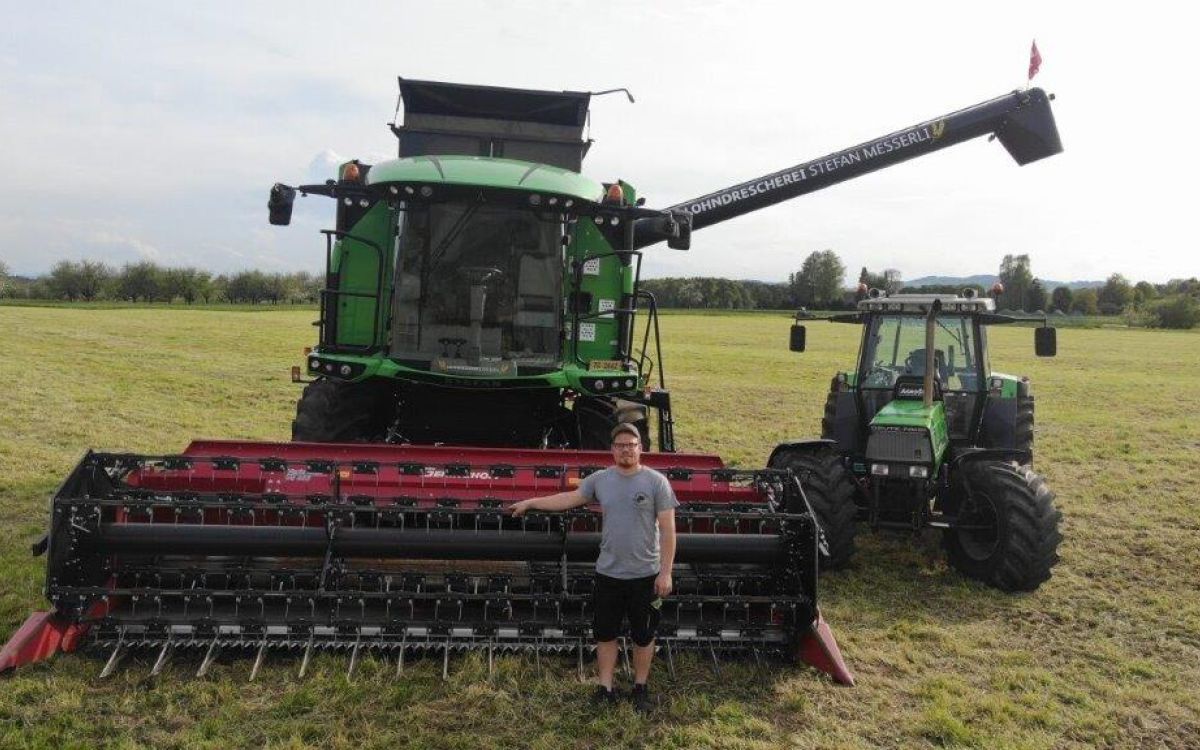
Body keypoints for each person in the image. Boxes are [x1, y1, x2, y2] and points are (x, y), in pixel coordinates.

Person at [509, 422, 678, 713]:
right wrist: (531, 502)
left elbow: (668, 529)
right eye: (621, 445)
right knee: (605, 633)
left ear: (640, 448)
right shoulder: (601, 479)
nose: (626, 449)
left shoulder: (656, 482)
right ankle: (605, 688)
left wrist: (665, 572)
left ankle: (640, 687)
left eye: (632, 445)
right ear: (612, 450)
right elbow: (569, 499)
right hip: (608, 574)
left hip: (645, 576)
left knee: (644, 635)